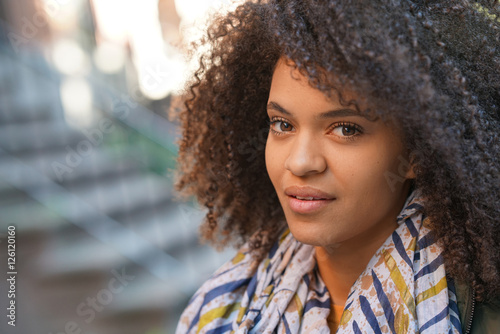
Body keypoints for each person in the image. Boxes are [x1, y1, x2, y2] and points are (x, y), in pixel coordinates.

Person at [173, 0, 500, 333]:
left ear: (417, 152)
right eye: (282, 124)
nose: (300, 162)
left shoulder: (485, 312)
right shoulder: (224, 305)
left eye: (346, 128)